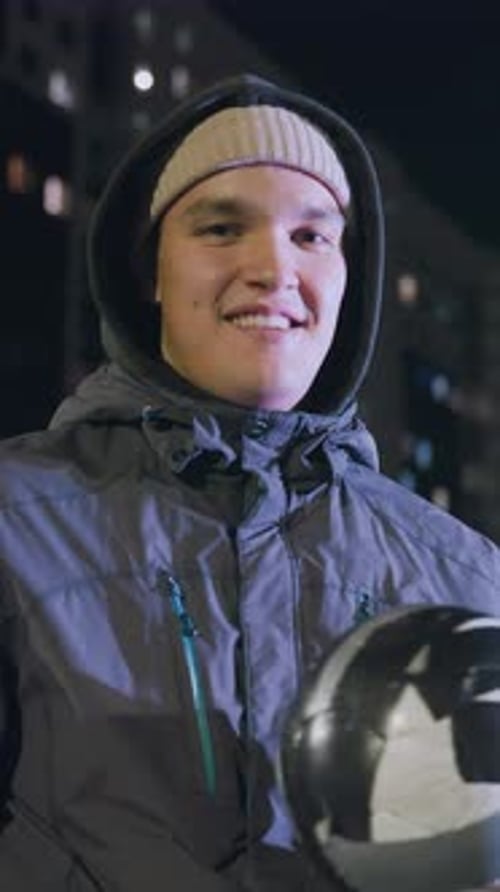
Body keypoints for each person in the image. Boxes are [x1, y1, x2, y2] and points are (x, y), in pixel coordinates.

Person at [0, 72, 498, 892]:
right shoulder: (20, 517)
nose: (272, 265)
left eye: (313, 237)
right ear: (149, 272)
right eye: (222, 226)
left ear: (350, 282)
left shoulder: (467, 576)